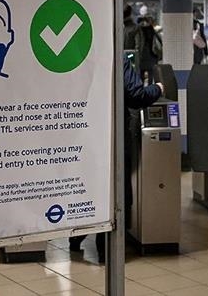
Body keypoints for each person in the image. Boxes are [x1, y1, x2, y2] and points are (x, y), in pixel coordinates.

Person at [69, 56, 163, 262]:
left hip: (83, 132)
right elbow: (136, 95)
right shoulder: (116, 58)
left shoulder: (78, 57)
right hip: (112, 133)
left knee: (88, 186)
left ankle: (75, 237)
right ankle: (106, 250)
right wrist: (158, 88)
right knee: (114, 190)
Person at [135, 16, 161, 80]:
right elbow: (160, 41)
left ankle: (142, 86)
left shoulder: (138, 31)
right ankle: (150, 85)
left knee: (141, 74)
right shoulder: (152, 30)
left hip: (142, 56)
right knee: (151, 74)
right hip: (152, 55)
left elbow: (137, 44)